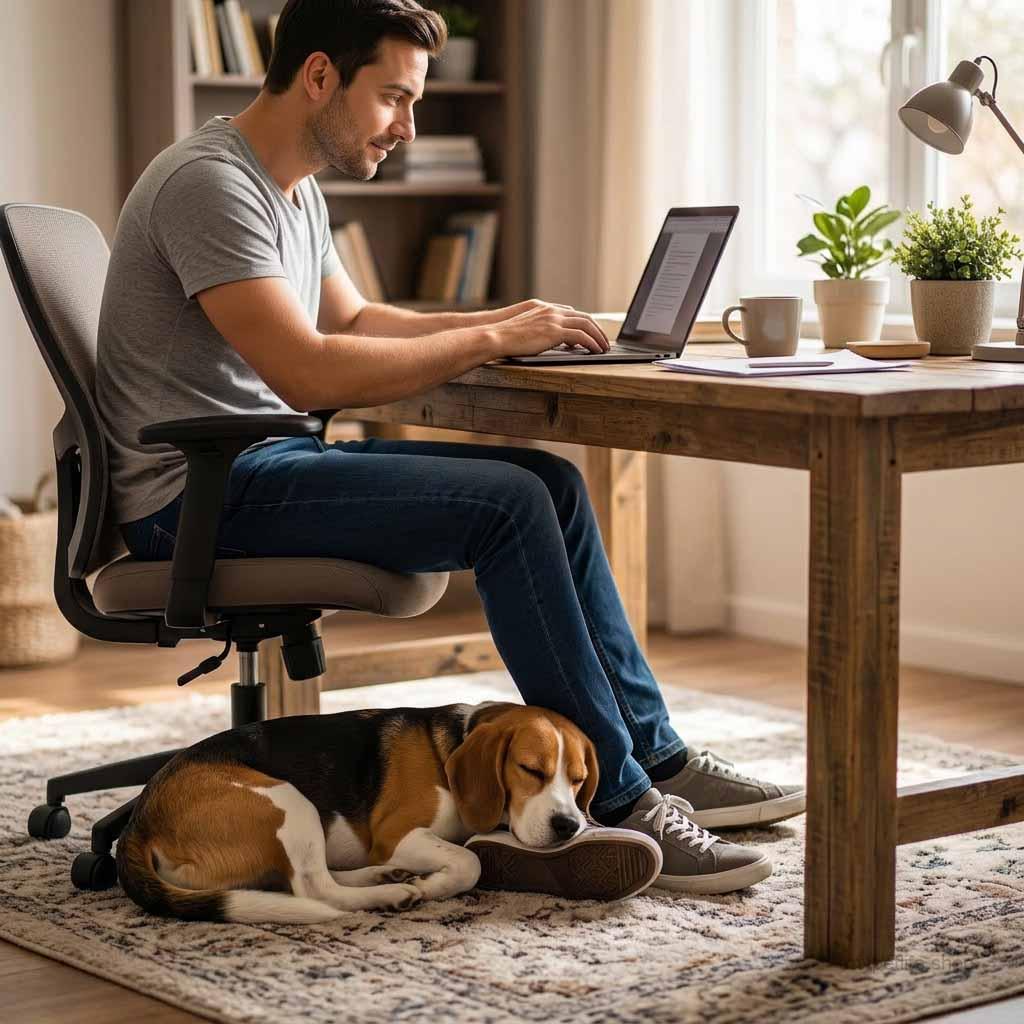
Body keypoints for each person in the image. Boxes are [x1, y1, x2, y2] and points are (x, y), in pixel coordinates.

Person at [96, 0, 803, 897]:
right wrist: (487, 342)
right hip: (194, 498)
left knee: (545, 478)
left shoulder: (290, 186)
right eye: (394, 98)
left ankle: (655, 757)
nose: (408, 126)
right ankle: (619, 800)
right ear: (320, 76)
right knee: (506, 507)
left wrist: (505, 322)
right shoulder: (211, 184)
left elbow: (351, 318)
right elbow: (309, 371)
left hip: (259, 466)